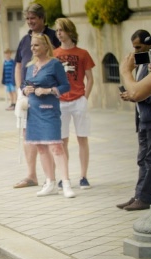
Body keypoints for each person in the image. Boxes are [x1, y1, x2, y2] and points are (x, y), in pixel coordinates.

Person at [13, 2, 61, 189]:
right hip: (27, 94)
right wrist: (20, 89)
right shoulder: (25, 40)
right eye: (27, 18)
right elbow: (19, 64)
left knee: (52, 136)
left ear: (42, 18)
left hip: (48, 95)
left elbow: (59, 67)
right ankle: (31, 175)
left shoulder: (53, 38)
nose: (30, 21)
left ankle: (53, 178)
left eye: (33, 18)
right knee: (27, 133)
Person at [118, 30, 151, 211]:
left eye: (138, 47)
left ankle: (145, 198)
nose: (135, 51)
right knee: (142, 159)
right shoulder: (141, 63)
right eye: (133, 48)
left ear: (149, 44)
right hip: (144, 118)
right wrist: (132, 95)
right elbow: (138, 90)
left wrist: (135, 95)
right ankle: (139, 194)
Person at [21, 34, 72, 198]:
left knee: (56, 146)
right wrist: (25, 90)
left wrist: (48, 90)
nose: (33, 49)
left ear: (45, 46)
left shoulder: (54, 64)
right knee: (41, 147)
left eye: (36, 45)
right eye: (31, 46)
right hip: (33, 111)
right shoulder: (30, 66)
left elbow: (65, 86)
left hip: (49, 110)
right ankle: (50, 182)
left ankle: (66, 183)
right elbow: (24, 84)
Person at [53, 17, 95, 191]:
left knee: (82, 138)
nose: (59, 34)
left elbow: (90, 78)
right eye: (57, 31)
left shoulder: (83, 53)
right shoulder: (54, 54)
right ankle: (65, 177)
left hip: (78, 99)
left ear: (70, 31)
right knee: (62, 141)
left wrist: (85, 97)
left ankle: (84, 176)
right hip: (61, 101)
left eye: (61, 30)